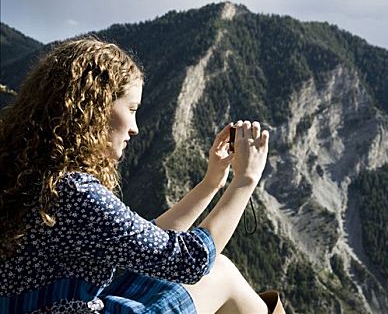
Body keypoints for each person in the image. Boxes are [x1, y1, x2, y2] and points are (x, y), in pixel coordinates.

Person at [0, 38, 285, 314]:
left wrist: (212, 183)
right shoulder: (74, 193)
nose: (135, 128)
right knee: (221, 273)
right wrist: (245, 180)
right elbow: (191, 261)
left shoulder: (36, 177)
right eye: (132, 109)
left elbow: (142, 244)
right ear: (95, 108)